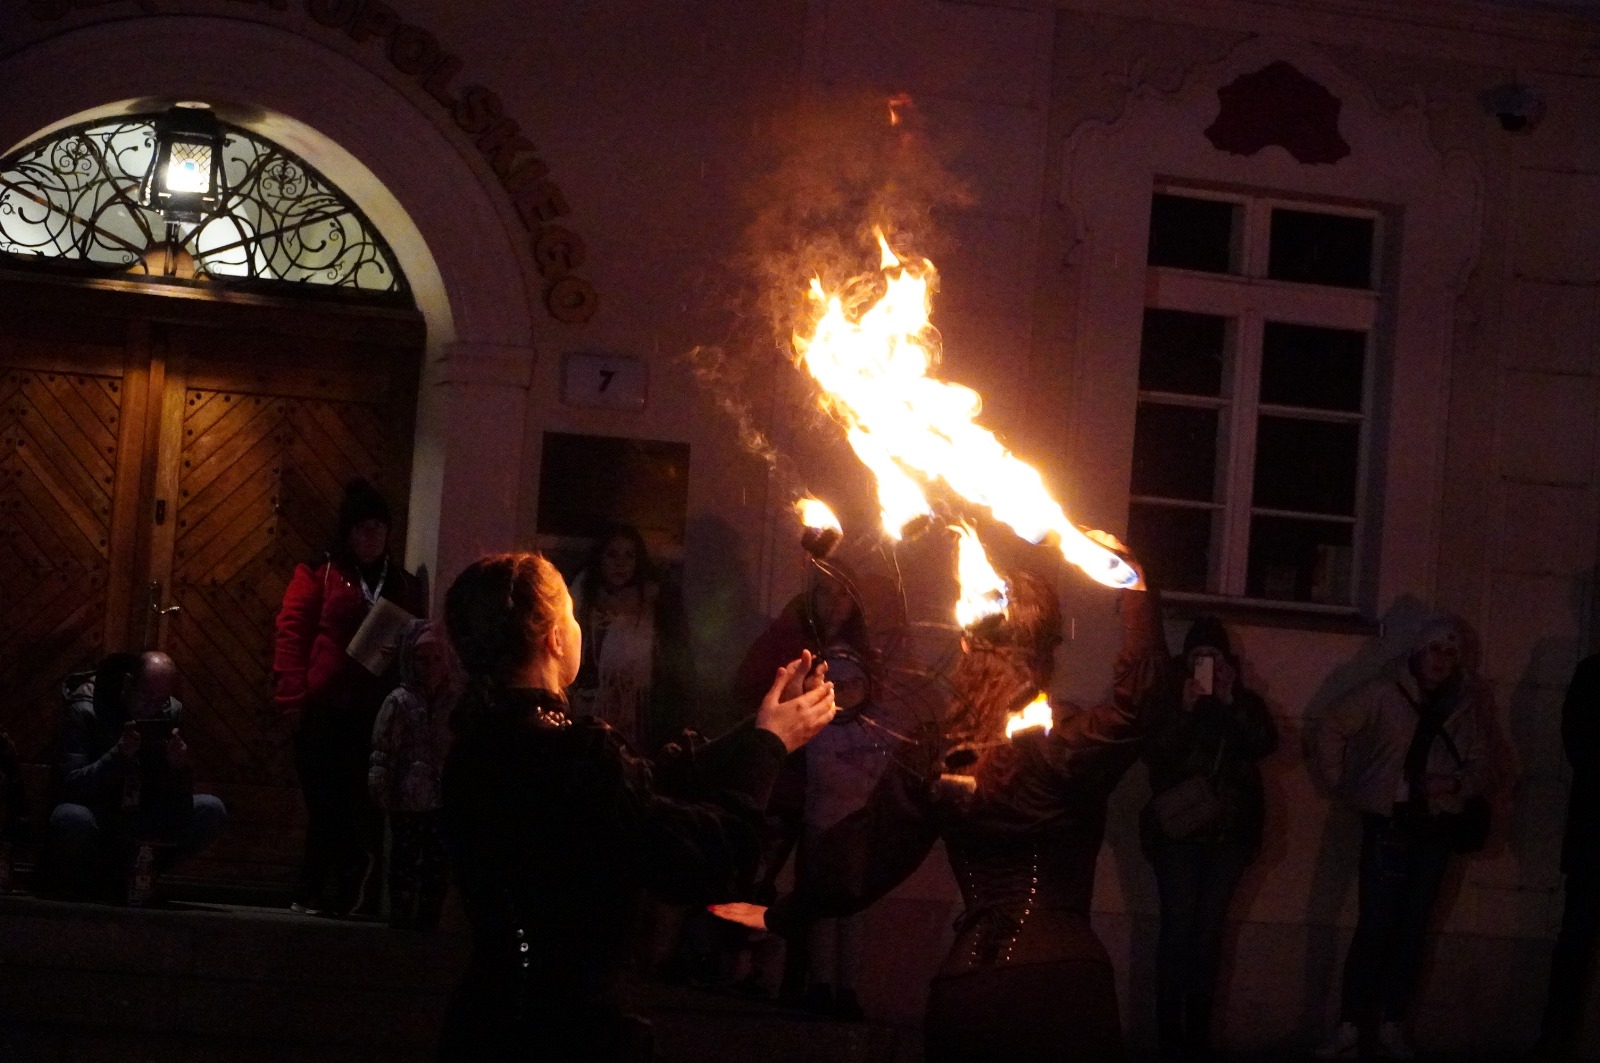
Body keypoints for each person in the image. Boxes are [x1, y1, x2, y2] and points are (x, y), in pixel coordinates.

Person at [713, 563, 1165, 1062]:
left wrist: (783, 911)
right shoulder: (1065, 743)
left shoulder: (938, 752)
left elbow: (864, 857)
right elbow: (1137, 707)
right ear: (1049, 650)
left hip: (967, 990)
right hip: (1062, 988)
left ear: (968, 646)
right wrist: (1137, 591)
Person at [434, 551, 837, 1063]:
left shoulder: (477, 746)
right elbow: (710, 857)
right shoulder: (573, 754)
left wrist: (762, 728)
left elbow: (645, 790)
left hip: (486, 1023)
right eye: (571, 615)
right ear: (555, 639)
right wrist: (770, 748)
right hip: (570, 1034)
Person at [1310, 614, 1490, 1061]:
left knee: (1412, 931)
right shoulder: (1384, 691)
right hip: (1390, 824)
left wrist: (1452, 784)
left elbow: (1483, 766)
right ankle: (1351, 1026)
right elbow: (1330, 725)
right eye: (1434, 649)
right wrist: (1347, 785)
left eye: (1450, 652)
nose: (1441, 660)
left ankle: (1391, 1025)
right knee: (1375, 927)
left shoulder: (1464, 704)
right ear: (1417, 652)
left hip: (1436, 828)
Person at [273, 477, 425, 916]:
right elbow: (292, 633)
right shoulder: (320, 573)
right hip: (323, 709)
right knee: (325, 801)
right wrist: (291, 699)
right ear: (348, 532)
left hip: (373, 712)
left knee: (358, 802)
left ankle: (329, 892)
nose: (371, 536)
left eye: (378, 528)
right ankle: (321, 886)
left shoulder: (402, 583)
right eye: (362, 528)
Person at [1139, 615, 1278, 1060]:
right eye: (1198, 656)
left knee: (1208, 936)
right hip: (1178, 835)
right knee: (1177, 932)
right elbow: (1155, 754)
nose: (1206, 665)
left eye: (1213, 657)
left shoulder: (1243, 701)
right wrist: (1184, 710)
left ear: (1227, 662)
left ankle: (1197, 1038)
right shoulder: (1169, 698)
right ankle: (1169, 1038)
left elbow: (1263, 744)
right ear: (1185, 660)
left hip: (1229, 836)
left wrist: (1230, 700)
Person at [41, 651, 227, 901]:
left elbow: (177, 797)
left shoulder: (169, 712)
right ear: (128, 683)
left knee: (210, 809)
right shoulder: (86, 708)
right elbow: (69, 785)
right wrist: (118, 756)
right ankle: (91, 882)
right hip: (100, 816)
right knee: (70, 817)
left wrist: (178, 767)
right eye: (146, 698)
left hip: (142, 816)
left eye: (161, 700)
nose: (152, 708)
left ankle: (141, 876)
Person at [1527, 651, 1600, 1061]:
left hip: (1590, 832)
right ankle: (1555, 1033)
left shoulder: (1591, 672)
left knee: (1575, 934)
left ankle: (1555, 1034)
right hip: (1592, 834)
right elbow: (1579, 745)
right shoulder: (1592, 673)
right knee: (1575, 935)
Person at [569, 525, 695, 753]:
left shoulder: (652, 602)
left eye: (629, 556)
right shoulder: (581, 599)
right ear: (600, 558)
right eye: (612, 555)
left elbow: (675, 665)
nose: (621, 564)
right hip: (589, 710)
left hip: (641, 715)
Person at [369, 619, 458, 930]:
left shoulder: (453, 703)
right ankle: (401, 913)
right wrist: (381, 783)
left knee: (437, 861)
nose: (430, 666)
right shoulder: (399, 701)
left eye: (436, 658)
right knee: (405, 858)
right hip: (408, 796)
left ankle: (428, 915)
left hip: (443, 797)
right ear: (410, 660)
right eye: (422, 659)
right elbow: (383, 748)